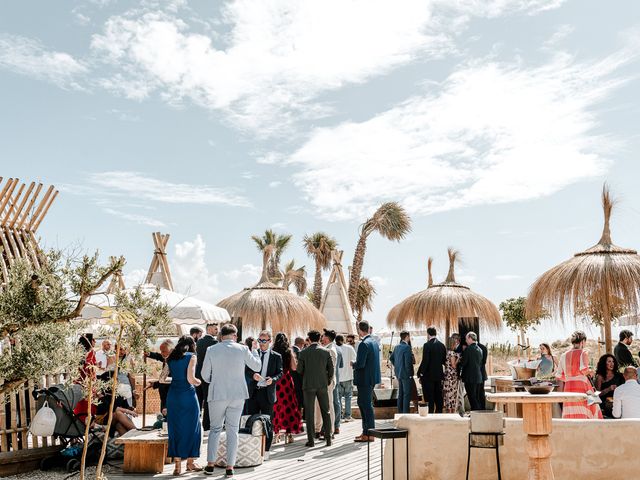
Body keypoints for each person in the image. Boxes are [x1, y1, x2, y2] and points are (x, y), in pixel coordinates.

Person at [201, 323, 261, 477]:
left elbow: (205, 375)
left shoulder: (211, 349)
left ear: (221, 336)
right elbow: (257, 366)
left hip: (217, 394)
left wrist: (213, 380)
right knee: (232, 430)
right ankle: (230, 467)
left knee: (215, 429)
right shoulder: (242, 349)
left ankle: (210, 465)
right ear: (235, 336)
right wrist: (254, 350)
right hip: (237, 394)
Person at [165, 335, 202, 475]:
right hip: (188, 396)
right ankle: (190, 463)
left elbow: (162, 379)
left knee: (175, 429)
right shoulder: (192, 357)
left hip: (173, 397)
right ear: (192, 345)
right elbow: (191, 379)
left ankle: (177, 467)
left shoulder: (170, 358)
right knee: (193, 428)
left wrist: (175, 380)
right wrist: (199, 382)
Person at [296, 329, 334, 448]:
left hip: (308, 385)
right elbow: (331, 370)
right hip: (322, 385)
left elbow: (299, 370)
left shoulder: (303, 352)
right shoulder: (326, 352)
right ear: (319, 339)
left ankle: (311, 440)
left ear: (310, 339)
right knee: (326, 411)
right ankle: (328, 439)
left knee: (310, 413)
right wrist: (327, 381)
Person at [556, 330, 603, 419]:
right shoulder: (583, 352)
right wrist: (591, 371)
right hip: (582, 385)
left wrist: (569, 378)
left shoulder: (563, 355)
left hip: (569, 386)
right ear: (583, 341)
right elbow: (584, 369)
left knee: (571, 409)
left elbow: (559, 375)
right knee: (591, 406)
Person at [271, 333, 302, 444]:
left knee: (276, 406)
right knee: (289, 406)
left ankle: (276, 434)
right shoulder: (289, 352)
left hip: (276, 381)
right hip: (287, 381)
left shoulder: (272, 351)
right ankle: (288, 435)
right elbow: (294, 368)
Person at [353, 321, 381, 442]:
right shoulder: (374, 342)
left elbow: (360, 364)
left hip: (364, 379)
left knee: (366, 406)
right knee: (363, 404)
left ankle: (369, 433)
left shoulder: (364, 344)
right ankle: (366, 431)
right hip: (371, 378)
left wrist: (353, 364)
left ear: (359, 330)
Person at [247, 330, 283, 419]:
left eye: (264, 341)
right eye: (260, 340)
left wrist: (273, 379)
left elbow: (280, 373)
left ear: (270, 341)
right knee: (251, 420)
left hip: (267, 393)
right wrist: (253, 375)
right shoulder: (253, 354)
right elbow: (247, 370)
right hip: (253, 392)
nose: (261, 343)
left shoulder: (276, 356)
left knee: (268, 421)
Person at [417, 327, 447, 413]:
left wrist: (420, 373)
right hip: (438, 375)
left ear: (428, 334)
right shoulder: (442, 345)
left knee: (429, 396)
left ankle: (430, 413)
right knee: (438, 395)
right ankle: (439, 412)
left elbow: (425, 361)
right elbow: (443, 361)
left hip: (428, 376)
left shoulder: (427, 345)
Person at [315, 329, 338, 439]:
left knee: (328, 406)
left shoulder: (331, 350)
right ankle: (319, 429)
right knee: (320, 406)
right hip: (321, 382)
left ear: (327, 338)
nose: (321, 338)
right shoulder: (326, 348)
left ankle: (330, 431)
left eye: (323, 336)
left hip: (326, 383)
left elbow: (330, 370)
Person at [196, 323, 219, 431]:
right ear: (209, 329)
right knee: (208, 401)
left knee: (198, 401)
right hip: (209, 375)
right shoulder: (214, 343)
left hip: (197, 375)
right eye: (215, 328)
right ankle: (206, 426)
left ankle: (195, 424)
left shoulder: (199, 341)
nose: (217, 330)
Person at [146, 339, 174, 412]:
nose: (161, 353)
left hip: (169, 394)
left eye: (163, 351)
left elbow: (169, 380)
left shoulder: (173, 362)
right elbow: (158, 356)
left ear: (171, 350)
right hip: (164, 394)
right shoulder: (167, 357)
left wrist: (155, 384)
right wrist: (149, 354)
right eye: (161, 351)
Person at [390, 331, 413, 413]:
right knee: (407, 394)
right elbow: (408, 363)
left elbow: (391, 358)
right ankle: (405, 413)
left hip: (398, 373)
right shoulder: (407, 347)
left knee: (401, 394)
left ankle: (400, 412)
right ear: (407, 337)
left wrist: (397, 366)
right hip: (406, 374)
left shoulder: (396, 347)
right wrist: (410, 373)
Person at [460, 332, 484, 411]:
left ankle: (476, 415)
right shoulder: (480, 350)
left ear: (470, 338)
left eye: (466, 339)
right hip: (478, 377)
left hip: (470, 378)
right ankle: (478, 413)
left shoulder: (468, 349)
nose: (466, 341)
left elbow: (463, 363)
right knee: (476, 397)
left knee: (472, 397)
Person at [595, 353, 624, 418]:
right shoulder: (600, 377)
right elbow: (596, 394)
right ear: (604, 363)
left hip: (618, 403)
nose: (612, 363)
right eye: (609, 361)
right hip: (605, 405)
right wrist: (608, 389)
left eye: (613, 361)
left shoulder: (619, 376)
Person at [336, 334, 356, 422]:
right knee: (348, 397)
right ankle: (347, 415)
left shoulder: (334, 349)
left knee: (338, 397)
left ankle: (339, 415)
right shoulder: (350, 348)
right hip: (348, 376)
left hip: (338, 377)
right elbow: (355, 360)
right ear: (343, 340)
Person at [443, 334, 462, 414]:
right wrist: (458, 359)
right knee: (452, 395)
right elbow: (454, 365)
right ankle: (452, 412)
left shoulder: (447, 353)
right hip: (452, 376)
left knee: (448, 395)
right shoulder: (452, 353)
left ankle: (448, 411)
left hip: (447, 375)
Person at [291, 337, 305, 412]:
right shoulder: (299, 353)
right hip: (297, 379)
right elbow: (300, 368)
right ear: (302, 344)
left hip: (289, 378)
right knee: (298, 398)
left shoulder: (289, 350)